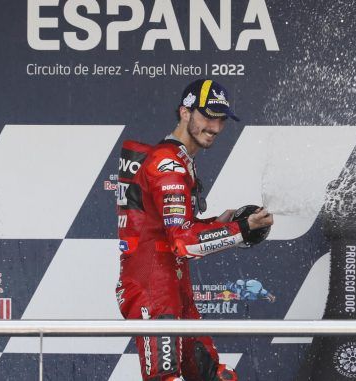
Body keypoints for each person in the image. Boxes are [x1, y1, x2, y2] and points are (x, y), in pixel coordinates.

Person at [115, 79, 274, 381]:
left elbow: (174, 231)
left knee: (212, 375)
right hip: (153, 288)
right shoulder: (168, 165)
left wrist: (221, 223)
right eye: (207, 116)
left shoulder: (179, 161)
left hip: (174, 284)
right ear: (184, 112)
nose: (214, 127)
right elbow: (183, 244)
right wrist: (240, 228)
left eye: (221, 120)